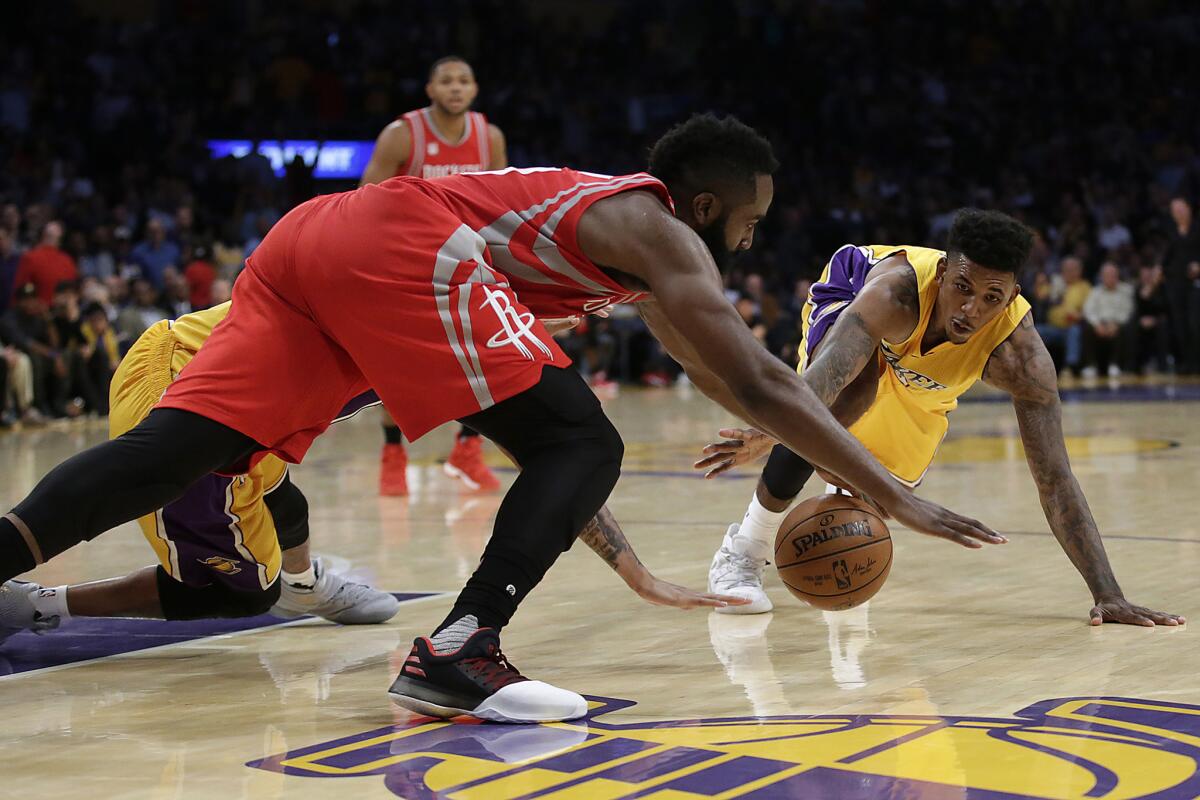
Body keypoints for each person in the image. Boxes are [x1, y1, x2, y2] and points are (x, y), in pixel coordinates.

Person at [0, 114, 999, 725]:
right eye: (750, 217)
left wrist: (656, 539)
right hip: (400, 240)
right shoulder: (662, 234)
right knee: (584, 436)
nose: (753, 233)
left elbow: (735, 390)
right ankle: (459, 649)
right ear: (704, 202)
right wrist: (892, 492)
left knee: (174, 452)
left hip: (313, 243)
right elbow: (769, 386)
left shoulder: (637, 263)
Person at [696, 210, 1182, 629]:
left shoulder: (1021, 359)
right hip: (851, 291)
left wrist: (1107, 593)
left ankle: (841, 523)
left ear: (1012, 299)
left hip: (925, 380)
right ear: (943, 272)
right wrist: (767, 432)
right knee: (843, 396)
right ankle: (745, 547)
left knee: (881, 479)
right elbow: (824, 381)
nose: (971, 310)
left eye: (992, 298)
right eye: (962, 288)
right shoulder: (894, 295)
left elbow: (1055, 479)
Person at [0, 302, 401, 638]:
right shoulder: (427, 321)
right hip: (197, 391)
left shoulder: (385, 279)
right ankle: (30, 604)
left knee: (285, 503)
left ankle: (301, 587)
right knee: (247, 594)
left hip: (191, 353)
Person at [360, 55, 508, 496]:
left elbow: (499, 201)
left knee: (490, 357)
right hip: (407, 264)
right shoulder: (402, 134)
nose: (456, 88)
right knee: (397, 366)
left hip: (466, 262)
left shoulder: (490, 137)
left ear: (476, 89)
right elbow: (365, 202)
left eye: (464, 80)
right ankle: (393, 454)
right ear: (430, 89)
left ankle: (467, 448)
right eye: (446, 81)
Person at [1159, 197, 1200, 373]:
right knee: (1179, 324)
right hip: (1175, 282)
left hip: (1195, 282)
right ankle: (1187, 362)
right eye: (1175, 211)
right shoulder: (1171, 231)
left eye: (1181, 209)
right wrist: (1160, 271)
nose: (1179, 213)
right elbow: (1167, 257)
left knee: (1194, 322)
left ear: (1189, 209)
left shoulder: (1198, 228)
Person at [1081, 261, 1134, 378]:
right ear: (1101, 277)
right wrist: (1097, 325)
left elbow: (1128, 310)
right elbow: (1088, 310)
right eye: (1107, 275)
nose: (1110, 278)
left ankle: (1115, 365)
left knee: (1126, 328)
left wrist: (1116, 324)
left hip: (1117, 323)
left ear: (1118, 276)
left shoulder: (1126, 290)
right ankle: (1091, 366)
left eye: (1113, 275)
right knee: (1086, 328)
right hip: (1100, 324)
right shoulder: (1095, 291)